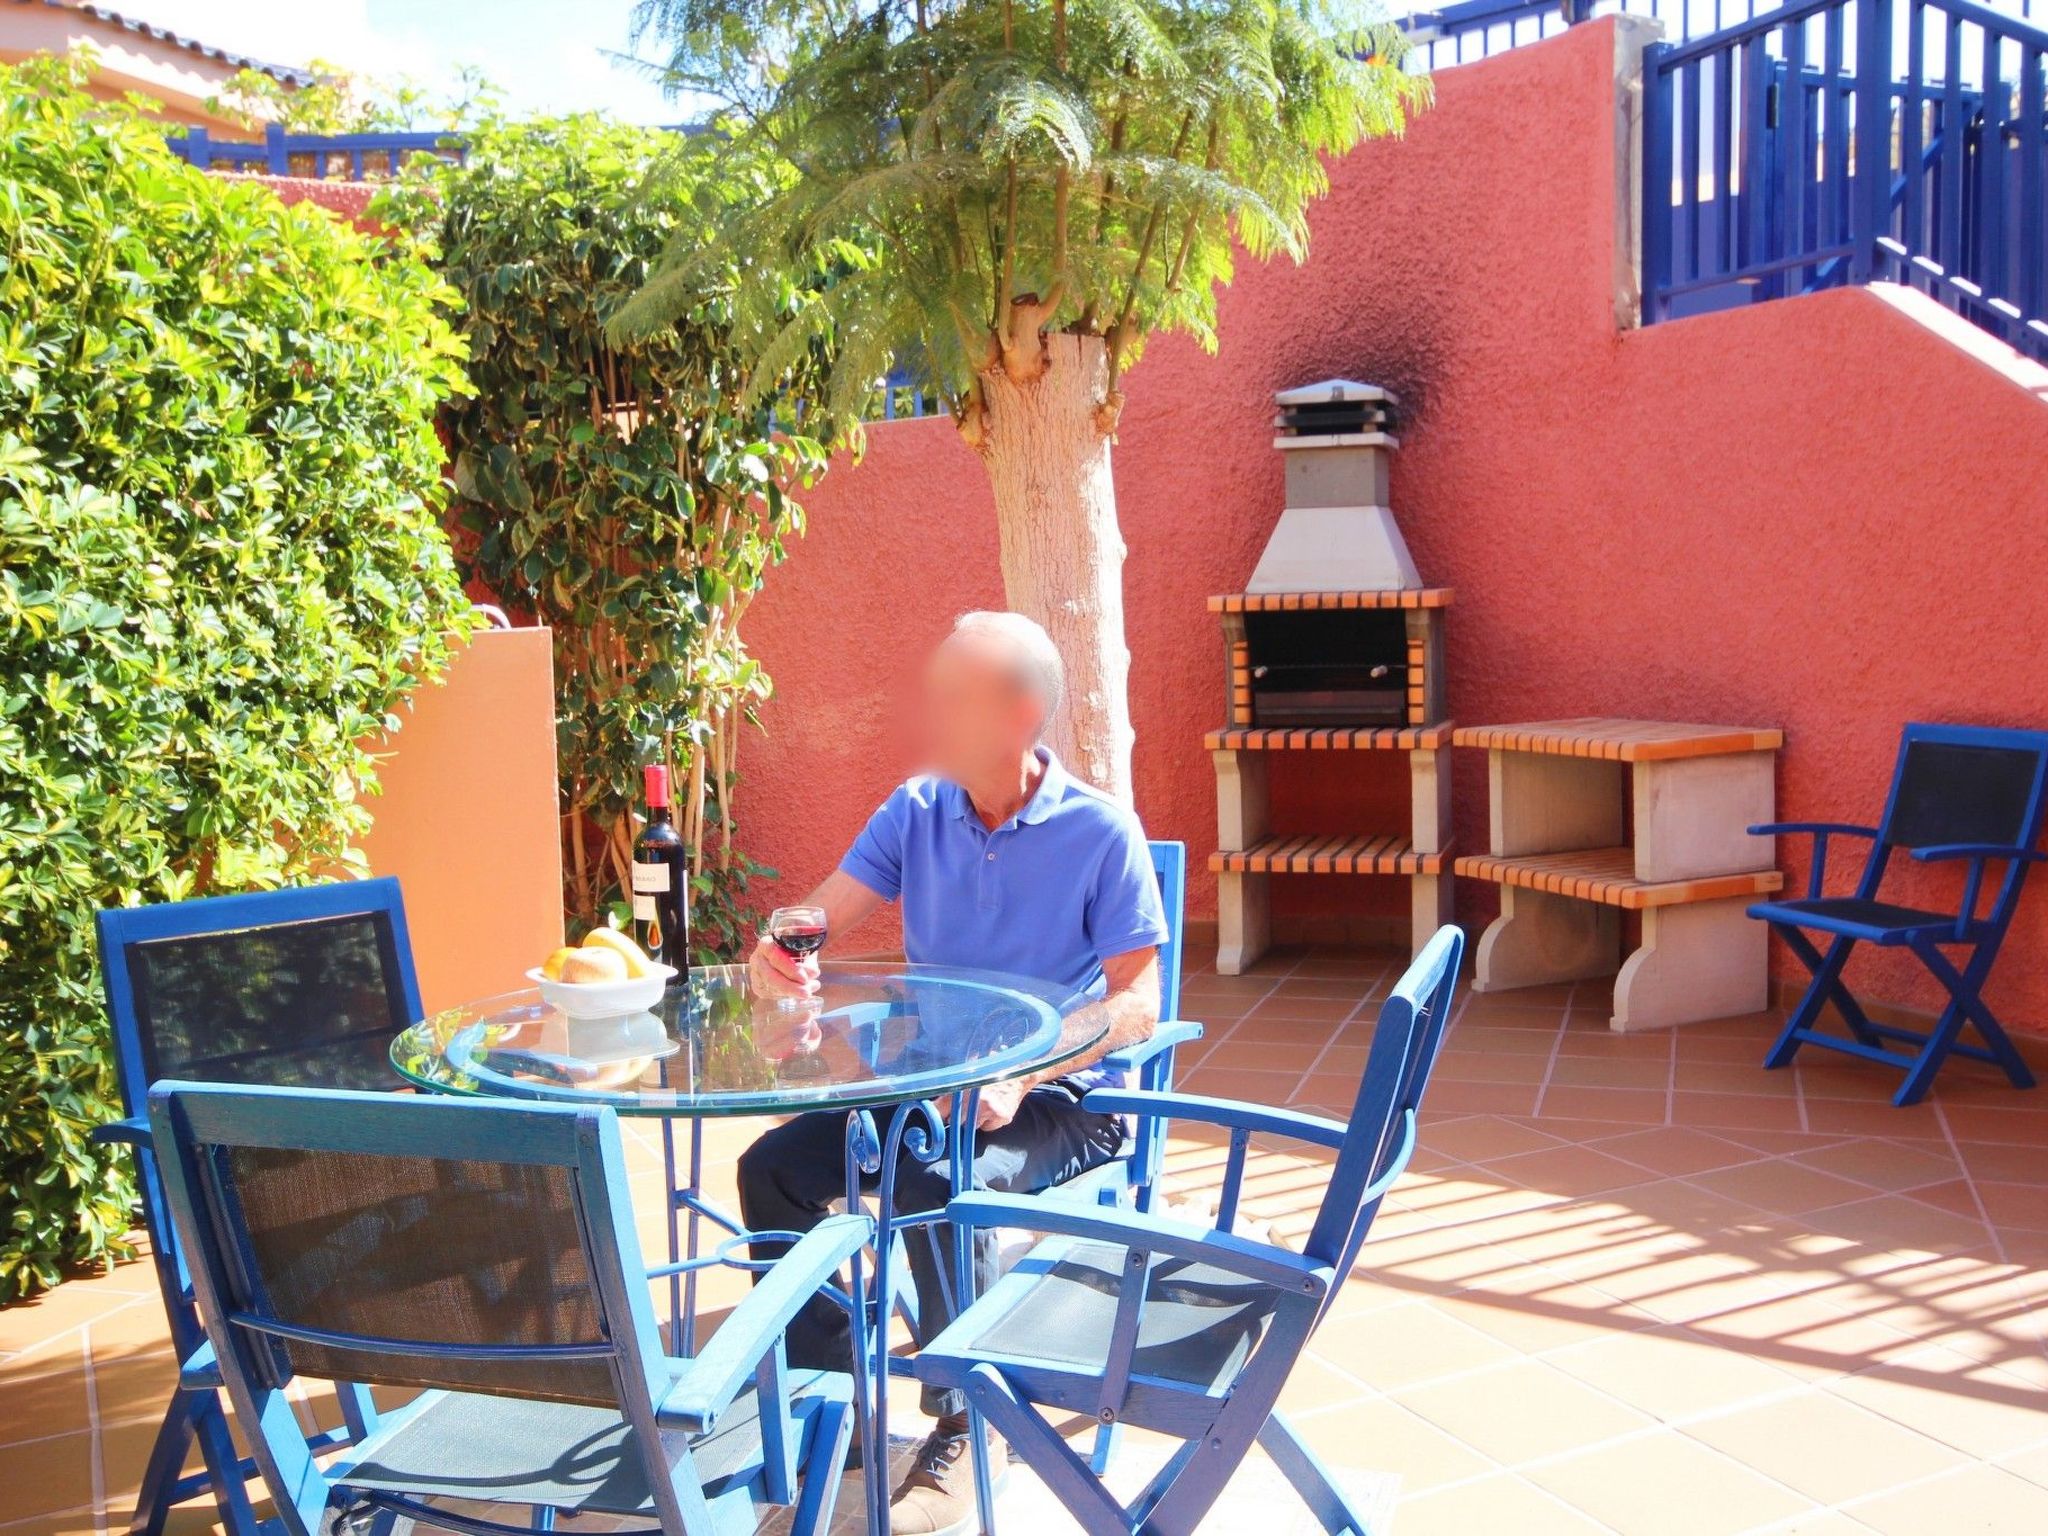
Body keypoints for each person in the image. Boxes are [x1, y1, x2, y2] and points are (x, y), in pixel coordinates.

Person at [738, 610, 1167, 1534]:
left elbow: (1142, 1003)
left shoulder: (1101, 833)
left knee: (931, 1175)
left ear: (1018, 713)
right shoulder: (917, 810)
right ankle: (830, 1396)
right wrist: (782, 946)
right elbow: (820, 913)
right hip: (931, 1096)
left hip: (1068, 1099)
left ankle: (970, 1422)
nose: (928, 713)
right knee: (769, 1169)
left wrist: (1028, 1070)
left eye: (952, 696)